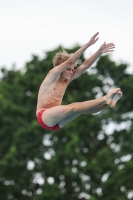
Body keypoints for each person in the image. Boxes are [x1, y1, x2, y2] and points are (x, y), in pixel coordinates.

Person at [36, 32, 122, 131]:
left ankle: (108, 103)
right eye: (68, 69)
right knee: (74, 106)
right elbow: (70, 61)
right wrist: (88, 44)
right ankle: (105, 98)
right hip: (44, 116)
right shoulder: (52, 75)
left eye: (72, 69)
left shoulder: (66, 80)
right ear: (60, 68)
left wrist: (99, 51)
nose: (71, 72)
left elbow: (85, 65)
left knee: (83, 109)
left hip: (57, 122)